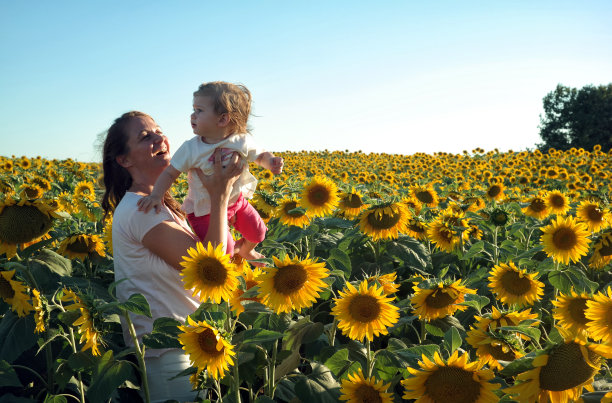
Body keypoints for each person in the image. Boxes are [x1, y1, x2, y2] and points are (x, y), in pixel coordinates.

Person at [101, 111, 243, 402]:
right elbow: (210, 270)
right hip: (167, 353)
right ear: (124, 160)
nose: (159, 138)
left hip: (185, 345)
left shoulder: (156, 205)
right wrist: (219, 196)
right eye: (145, 136)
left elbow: (209, 258)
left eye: (158, 130)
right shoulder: (142, 212)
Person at [137, 81, 283, 262]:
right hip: (202, 210)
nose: (192, 115)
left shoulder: (241, 140)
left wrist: (271, 162)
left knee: (259, 232)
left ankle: (246, 250)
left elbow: (260, 155)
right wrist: (155, 195)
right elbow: (169, 173)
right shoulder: (191, 149)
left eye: (199, 110)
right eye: (193, 109)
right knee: (224, 252)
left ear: (222, 119)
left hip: (236, 201)